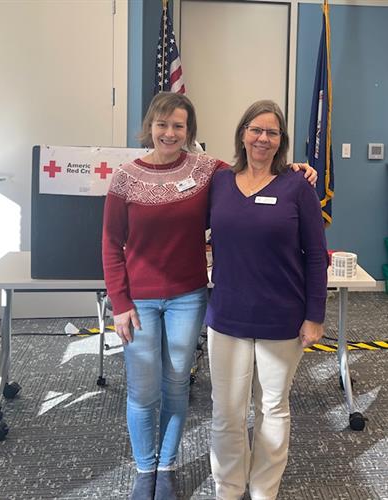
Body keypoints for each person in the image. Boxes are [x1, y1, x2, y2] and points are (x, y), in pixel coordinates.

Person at [102, 92, 317, 500]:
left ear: (190, 132)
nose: (169, 133)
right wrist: (120, 302)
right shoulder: (127, 176)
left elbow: (261, 167)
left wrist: (299, 169)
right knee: (144, 391)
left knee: (177, 385)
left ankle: (166, 467)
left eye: (179, 126)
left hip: (188, 295)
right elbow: (111, 243)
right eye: (162, 124)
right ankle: (145, 469)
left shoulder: (207, 171)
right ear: (149, 126)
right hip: (145, 299)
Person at [205, 99, 328, 500]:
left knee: (272, 409)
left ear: (281, 141)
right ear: (243, 133)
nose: (263, 138)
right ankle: (228, 488)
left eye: (272, 132)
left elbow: (315, 255)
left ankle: (263, 491)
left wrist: (315, 316)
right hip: (227, 316)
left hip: (282, 318)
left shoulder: (298, 186)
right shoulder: (219, 182)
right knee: (227, 412)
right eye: (256, 129)